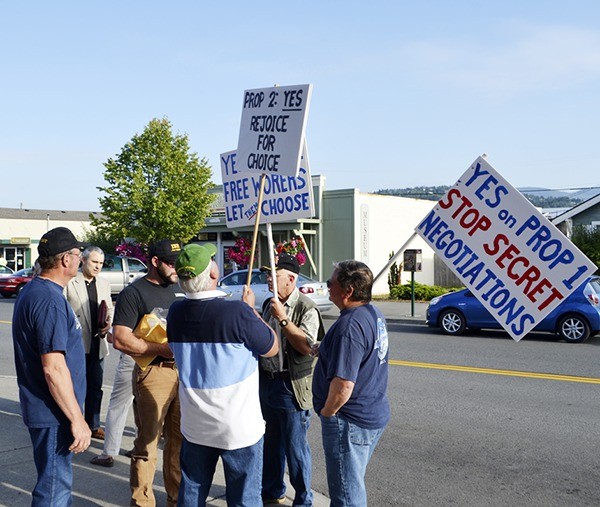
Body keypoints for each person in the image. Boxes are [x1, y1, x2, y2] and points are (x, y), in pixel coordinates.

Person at [167, 244, 279, 506]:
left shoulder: (176, 313)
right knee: (244, 498)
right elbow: (271, 348)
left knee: (192, 492)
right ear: (214, 274)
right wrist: (251, 311)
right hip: (238, 428)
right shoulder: (237, 312)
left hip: (196, 426)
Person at [12, 227, 91, 505]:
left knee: (55, 485)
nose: (81, 260)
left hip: (48, 410)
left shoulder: (35, 291)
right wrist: (77, 419)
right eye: (78, 254)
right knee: (54, 490)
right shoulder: (49, 300)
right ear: (65, 260)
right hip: (54, 414)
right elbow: (53, 369)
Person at [312, 260, 390, 507]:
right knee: (352, 482)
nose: (327, 287)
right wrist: (324, 348)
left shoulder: (350, 326)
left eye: (330, 283)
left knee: (346, 494)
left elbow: (344, 384)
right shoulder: (372, 314)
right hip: (370, 413)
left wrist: (327, 413)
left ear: (348, 291)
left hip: (349, 421)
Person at [112, 239, 183, 507]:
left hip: (183, 374)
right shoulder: (134, 293)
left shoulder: (180, 288)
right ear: (155, 262)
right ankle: (142, 502)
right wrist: (160, 349)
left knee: (178, 443)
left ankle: (176, 499)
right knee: (148, 444)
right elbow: (120, 338)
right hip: (154, 373)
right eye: (171, 264)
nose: (177, 269)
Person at [259, 253, 324, 506]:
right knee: (271, 443)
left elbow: (307, 346)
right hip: (267, 382)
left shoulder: (306, 307)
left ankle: (303, 499)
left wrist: (283, 319)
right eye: (267, 274)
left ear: (291, 278)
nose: (268, 279)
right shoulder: (268, 304)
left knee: (296, 449)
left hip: (291, 386)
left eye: (273, 275)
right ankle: (273, 491)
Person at [64, 245, 113, 440]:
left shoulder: (104, 284)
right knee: (75, 387)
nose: (97, 266)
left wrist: (107, 324)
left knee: (95, 386)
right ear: (83, 260)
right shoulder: (70, 282)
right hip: (76, 344)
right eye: (94, 262)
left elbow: (108, 308)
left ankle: (93, 425)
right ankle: (72, 423)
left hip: (97, 343)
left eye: (101, 263)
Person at [89, 348, 136, 467]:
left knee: (118, 407)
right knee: (143, 407)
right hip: (154, 361)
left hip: (132, 357)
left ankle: (108, 453)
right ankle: (140, 448)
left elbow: (114, 338)